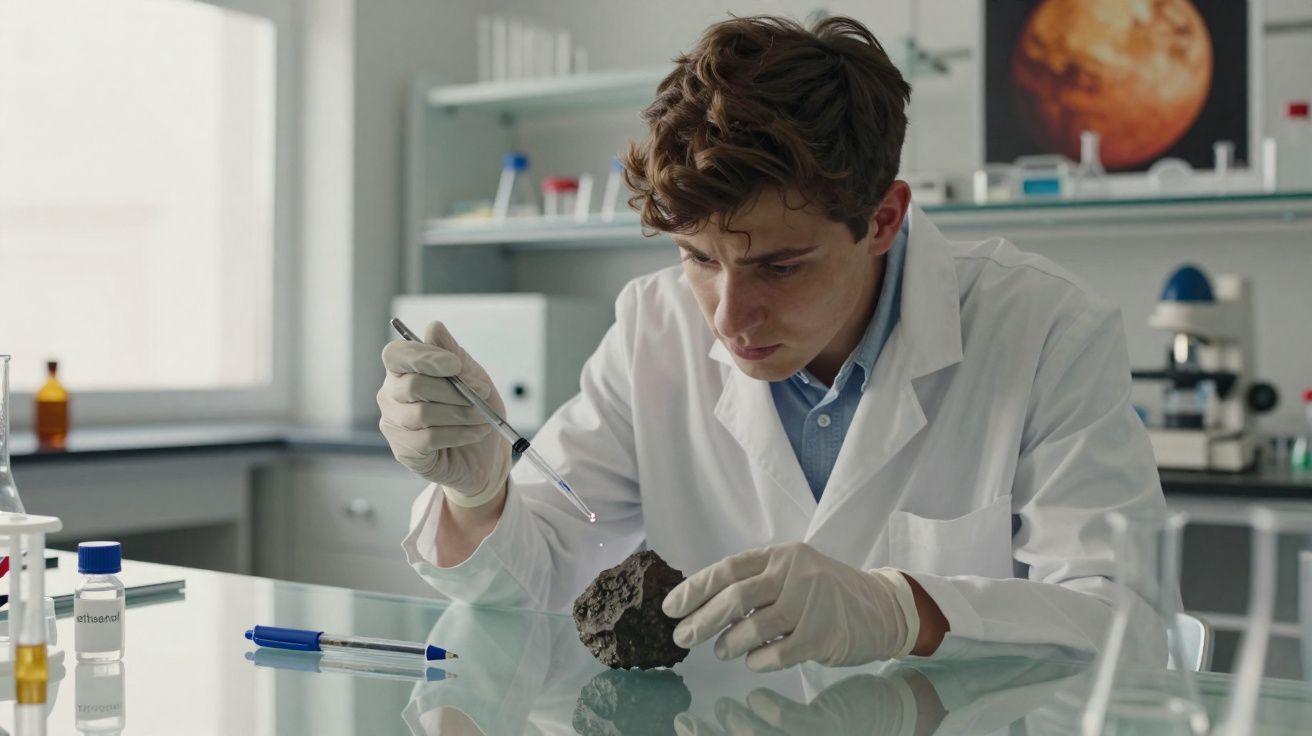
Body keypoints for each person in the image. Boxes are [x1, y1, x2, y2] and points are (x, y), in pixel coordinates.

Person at [378, 15, 1168, 672]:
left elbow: (1129, 625)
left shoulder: (1044, 331)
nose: (729, 316)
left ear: (883, 219)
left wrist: (908, 610)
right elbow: (541, 578)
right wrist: (480, 497)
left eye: (780, 266)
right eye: (697, 259)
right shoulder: (652, 326)